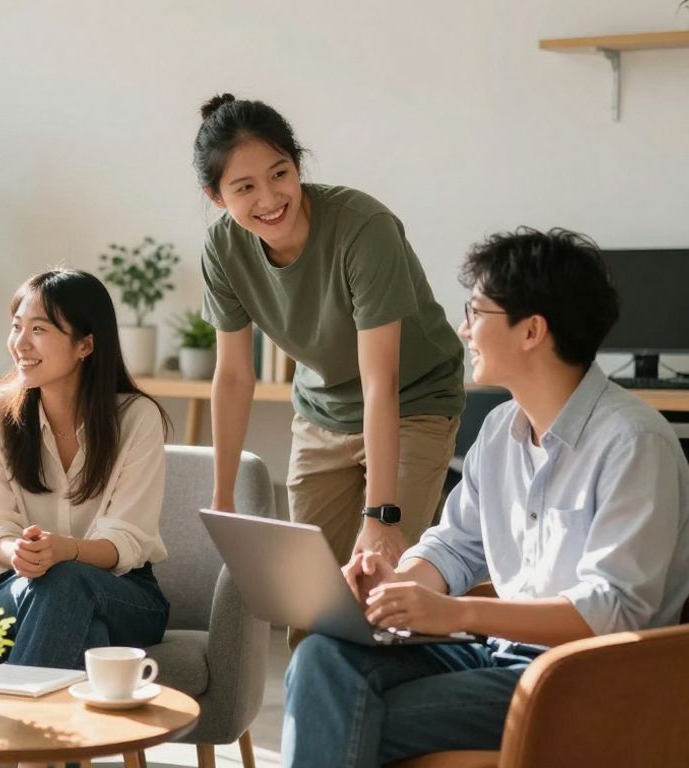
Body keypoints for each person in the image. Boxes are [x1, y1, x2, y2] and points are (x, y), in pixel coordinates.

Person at [282, 228, 689, 766]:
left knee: (345, 712)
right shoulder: (500, 430)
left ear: (532, 331)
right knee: (323, 658)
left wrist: (456, 612)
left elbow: (612, 611)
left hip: (590, 679)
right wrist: (396, 587)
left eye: (475, 312)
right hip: (497, 656)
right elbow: (454, 547)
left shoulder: (633, 442)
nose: (464, 329)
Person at [194, 94, 465, 596]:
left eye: (280, 174)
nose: (269, 199)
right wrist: (222, 499)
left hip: (411, 402)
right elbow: (232, 375)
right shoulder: (223, 249)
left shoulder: (363, 228)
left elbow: (381, 380)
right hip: (321, 410)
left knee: (380, 587)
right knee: (310, 594)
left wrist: (381, 515)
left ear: (298, 165)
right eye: (245, 187)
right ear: (217, 197)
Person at [0, 268, 171, 669]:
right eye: (16, 326)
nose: (20, 343)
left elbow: (128, 540)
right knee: (84, 629)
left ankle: (9, 707)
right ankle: (37, 712)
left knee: (66, 580)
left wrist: (66, 551)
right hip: (21, 584)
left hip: (124, 592)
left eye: (38, 329)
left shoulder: (136, 418)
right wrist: (19, 552)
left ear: (85, 345)